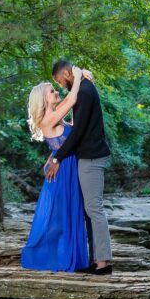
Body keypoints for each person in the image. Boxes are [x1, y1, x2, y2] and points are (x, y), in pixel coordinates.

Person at [45, 59, 113, 275]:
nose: (60, 85)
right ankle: (96, 259)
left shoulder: (83, 91)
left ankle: (103, 263)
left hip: (91, 157)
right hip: (87, 156)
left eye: (59, 80)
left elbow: (78, 131)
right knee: (89, 211)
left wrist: (57, 158)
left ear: (66, 73)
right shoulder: (83, 87)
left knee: (94, 209)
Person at [21, 68, 89, 272]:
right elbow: (72, 99)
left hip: (68, 167)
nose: (56, 92)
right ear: (43, 99)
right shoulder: (46, 120)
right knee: (60, 216)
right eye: (52, 91)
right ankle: (48, 256)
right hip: (62, 174)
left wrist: (53, 156)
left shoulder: (57, 119)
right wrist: (78, 76)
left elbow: (64, 140)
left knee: (70, 213)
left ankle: (70, 257)